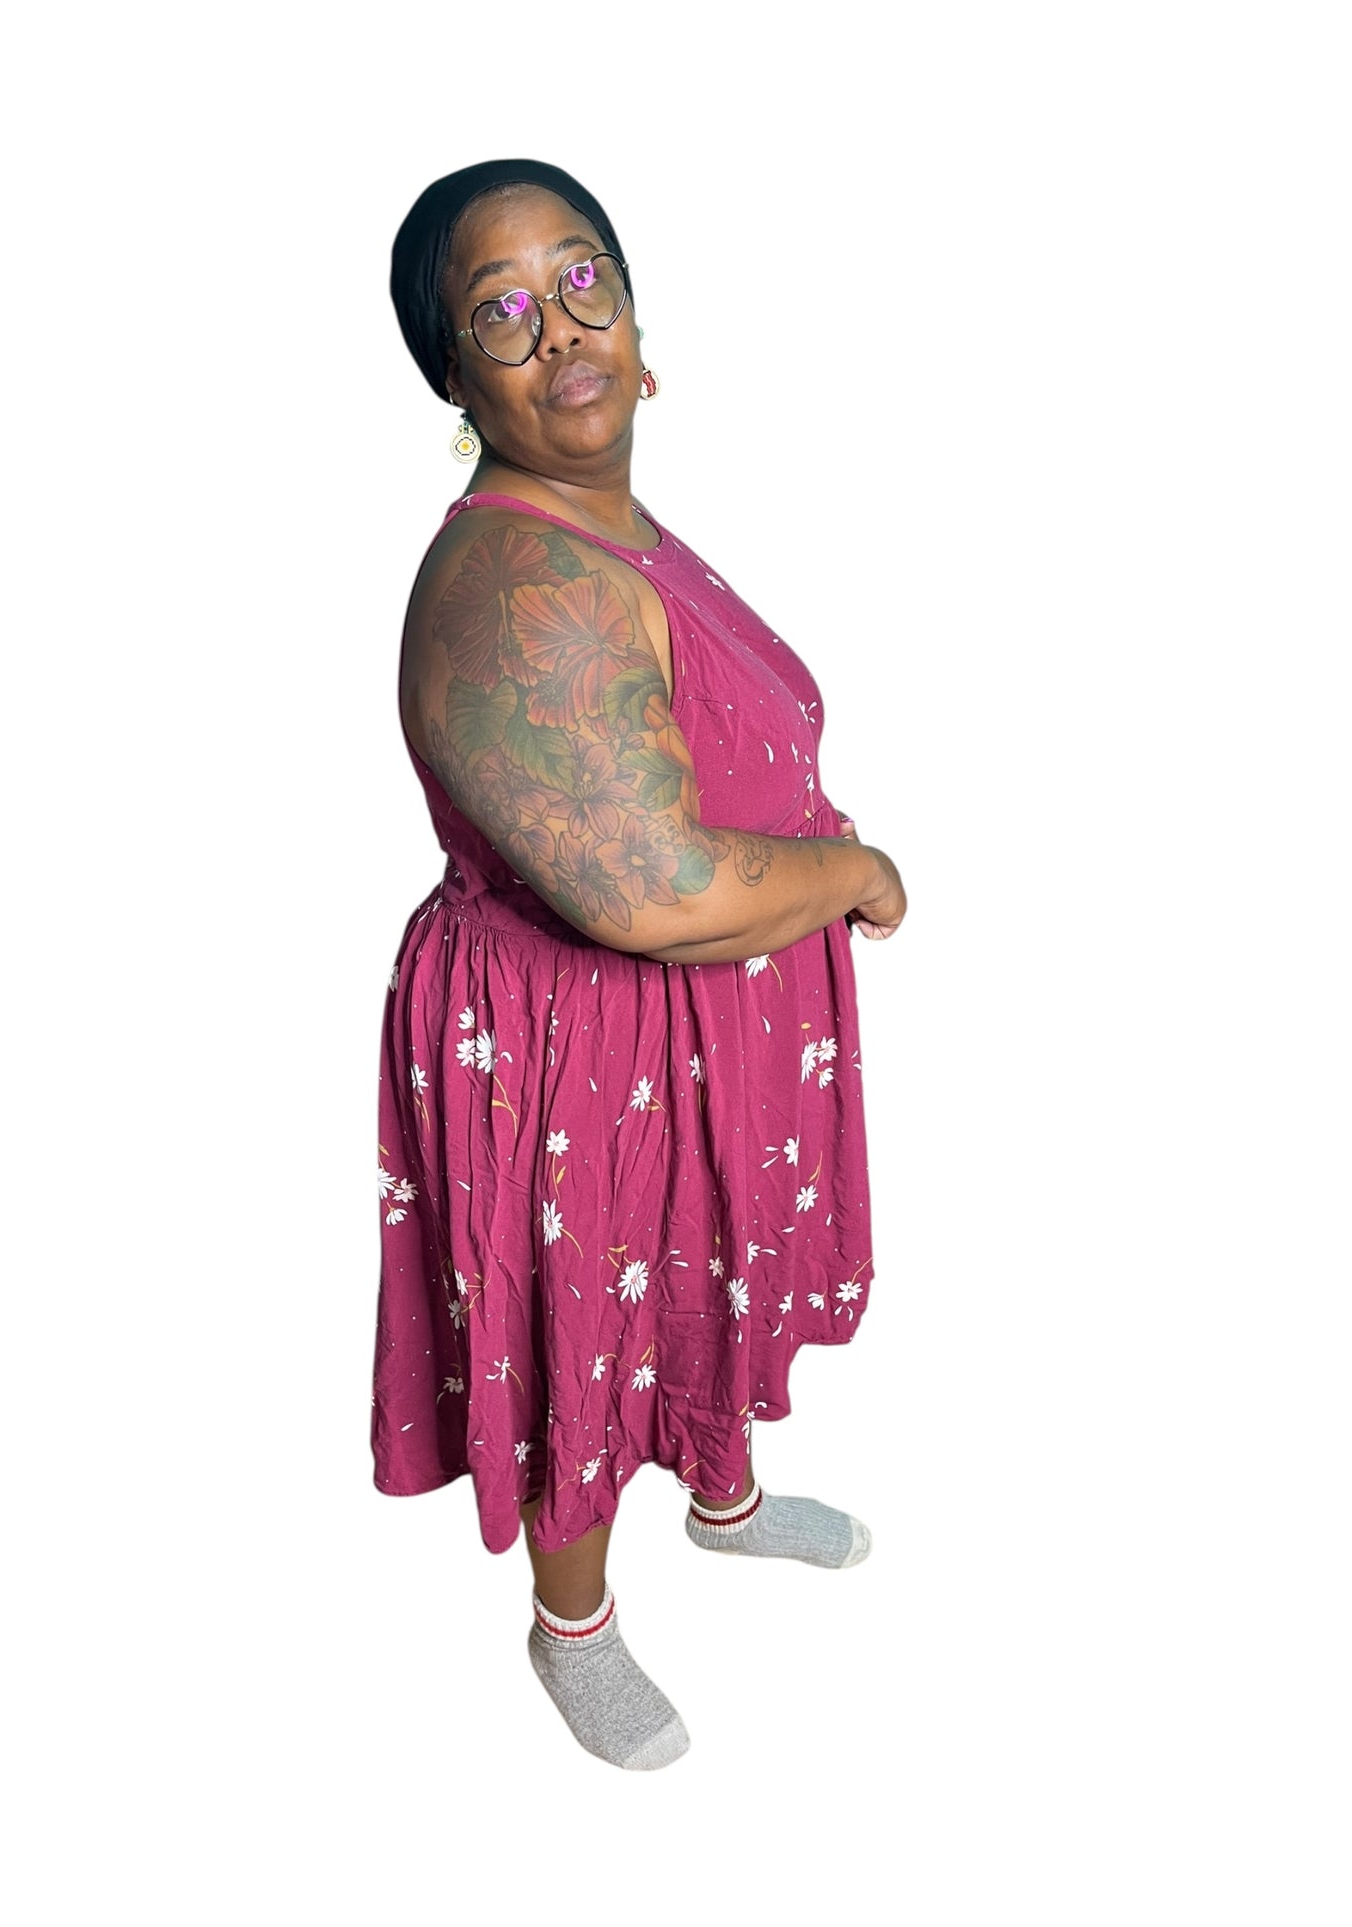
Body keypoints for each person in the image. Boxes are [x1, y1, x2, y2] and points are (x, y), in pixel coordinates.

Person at [374, 159, 907, 1770]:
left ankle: (719, 1493)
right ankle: (572, 1624)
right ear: (454, 378)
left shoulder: (606, 518)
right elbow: (652, 892)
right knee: (581, 1326)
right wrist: (856, 874)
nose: (558, 330)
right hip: (573, 1038)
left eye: (581, 279)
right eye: (501, 312)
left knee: (715, 1244)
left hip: (704, 1019)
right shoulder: (517, 581)